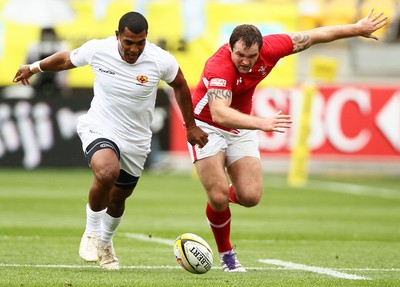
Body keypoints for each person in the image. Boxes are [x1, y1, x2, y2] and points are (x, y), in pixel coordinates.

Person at [188, 8, 387, 272]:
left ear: (261, 49)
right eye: (240, 55)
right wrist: (262, 123)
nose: (246, 62)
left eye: (251, 56)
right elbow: (219, 112)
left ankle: (219, 199)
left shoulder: (273, 47)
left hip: (242, 123)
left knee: (250, 196)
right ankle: (227, 255)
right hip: (205, 126)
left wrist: (356, 29)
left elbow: (315, 35)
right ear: (230, 48)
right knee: (219, 194)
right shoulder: (219, 65)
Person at [13, 11, 209, 270]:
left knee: (118, 200)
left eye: (140, 42)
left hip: (136, 138)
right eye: (128, 42)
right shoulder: (98, 50)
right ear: (118, 36)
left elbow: (181, 85)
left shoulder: (160, 60)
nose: (134, 49)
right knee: (107, 172)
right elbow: (65, 60)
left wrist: (190, 125)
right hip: (100, 126)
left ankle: (105, 243)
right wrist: (34, 67)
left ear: (146, 38)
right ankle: (92, 233)